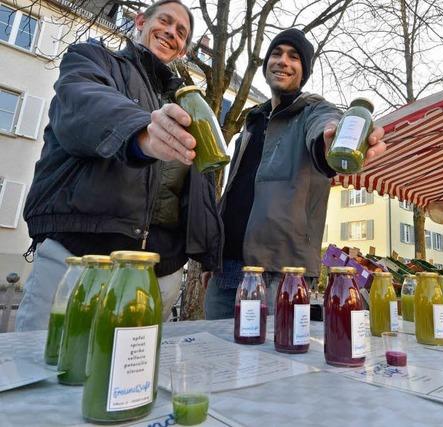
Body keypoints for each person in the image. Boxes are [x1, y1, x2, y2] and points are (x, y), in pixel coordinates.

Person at [16, 0, 222, 331]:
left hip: (159, 272)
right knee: (46, 372)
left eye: (180, 32)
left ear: (183, 49)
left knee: (136, 379)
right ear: (140, 21)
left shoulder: (186, 101)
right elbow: (82, 101)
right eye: (164, 22)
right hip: (83, 259)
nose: (170, 32)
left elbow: (200, 188)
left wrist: (207, 254)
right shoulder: (93, 59)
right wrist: (141, 132)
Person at [204, 28, 386, 319]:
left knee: (274, 361)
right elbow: (234, 190)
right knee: (217, 359)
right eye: (276, 54)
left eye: (294, 57)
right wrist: (214, 257)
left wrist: (330, 144)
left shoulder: (314, 110)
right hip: (226, 268)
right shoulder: (252, 122)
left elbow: (325, 132)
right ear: (266, 65)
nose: (283, 61)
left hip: (280, 271)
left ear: (304, 71)